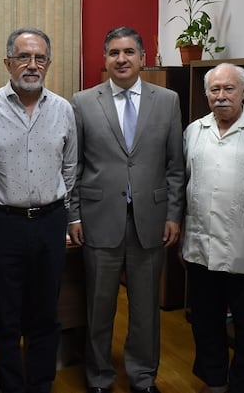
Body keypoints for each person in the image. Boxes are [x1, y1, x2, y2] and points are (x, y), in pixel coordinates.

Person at [68, 26, 185, 393]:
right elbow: (74, 165)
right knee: (99, 308)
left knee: (145, 310)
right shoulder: (83, 101)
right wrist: (73, 214)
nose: (122, 59)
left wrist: (173, 214)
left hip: (151, 221)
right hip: (99, 220)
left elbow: (175, 166)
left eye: (129, 52)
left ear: (142, 58)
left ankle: (142, 376)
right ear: (105, 59)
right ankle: (99, 377)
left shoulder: (167, 100)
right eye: (114, 52)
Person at [0, 28, 77, 393]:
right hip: (3, 224)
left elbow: (70, 167)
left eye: (40, 57)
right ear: (7, 62)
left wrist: (62, 211)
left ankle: (41, 384)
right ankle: (12, 386)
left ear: (48, 62)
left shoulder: (63, 109)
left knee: (46, 314)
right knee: (5, 317)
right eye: (24, 57)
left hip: (49, 222)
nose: (32, 65)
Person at [182, 63, 244, 393]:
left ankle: (243, 386)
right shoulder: (194, 131)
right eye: (215, 90)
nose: (221, 96)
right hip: (200, 247)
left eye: (229, 89)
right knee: (205, 324)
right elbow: (186, 184)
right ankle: (216, 382)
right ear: (207, 93)